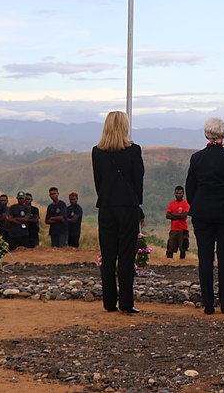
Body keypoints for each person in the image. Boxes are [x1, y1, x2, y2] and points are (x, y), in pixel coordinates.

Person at [186, 117, 224, 315]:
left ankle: (208, 304)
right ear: (223, 135)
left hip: (202, 212)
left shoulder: (197, 158)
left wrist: (197, 204)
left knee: (205, 257)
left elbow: (190, 188)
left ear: (205, 135)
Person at [92, 111, 144, 314]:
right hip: (128, 207)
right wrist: (137, 205)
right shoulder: (134, 151)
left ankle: (108, 302)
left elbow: (99, 182)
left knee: (108, 255)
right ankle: (126, 302)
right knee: (126, 255)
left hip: (105, 207)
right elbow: (138, 181)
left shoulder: (97, 152)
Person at [165, 186, 190, 259]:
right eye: (177, 193)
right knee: (170, 248)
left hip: (183, 229)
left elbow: (183, 215)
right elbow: (167, 215)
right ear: (174, 194)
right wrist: (178, 216)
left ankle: (182, 263)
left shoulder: (185, 204)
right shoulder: (172, 203)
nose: (178, 195)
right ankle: (169, 263)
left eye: (180, 193)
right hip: (173, 229)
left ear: (183, 194)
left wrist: (172, 214)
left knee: (183, 248)